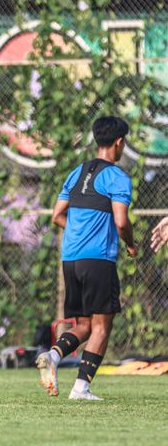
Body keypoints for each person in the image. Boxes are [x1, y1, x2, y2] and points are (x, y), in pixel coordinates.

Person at [37, 116, 137, 401]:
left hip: (71, 258)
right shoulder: (117, 177)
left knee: (83, 325)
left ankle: (53, 356)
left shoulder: (77, 173)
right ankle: (81, 388)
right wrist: (130, 244)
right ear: (119, 142)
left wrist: (81, 233)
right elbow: (120, 221)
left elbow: (57, 215)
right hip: (98, 260)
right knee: (102, 326)